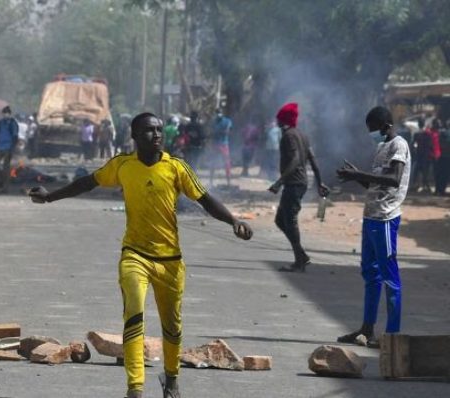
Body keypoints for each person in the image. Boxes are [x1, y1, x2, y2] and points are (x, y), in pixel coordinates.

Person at [28, 112, 253, 398]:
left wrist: (233, 221)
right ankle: (134, 388)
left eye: (159, 130)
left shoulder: (176, 168)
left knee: (172, 328)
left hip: (170, 261)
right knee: (134, 317)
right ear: (134, 137)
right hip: (135, 255)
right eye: (149, 131)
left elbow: (205, 199)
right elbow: (88, 182)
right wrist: (49, 196)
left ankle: (171, 380)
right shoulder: (123, 165)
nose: (157, 135)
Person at [336, 106, 411, 347]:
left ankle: (392, 335)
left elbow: (394, 180)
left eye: (373, 130)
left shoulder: (399, 145)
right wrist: (355, 176)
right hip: (371, 218)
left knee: (389, 276)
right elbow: (374, 187)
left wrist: (362, 173)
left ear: (386, 126)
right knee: (371, 274)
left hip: (386, 219)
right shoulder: (381, 147)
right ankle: (367, 329)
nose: (371, 134)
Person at [268, 103, 329, 272]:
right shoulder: (302, 135)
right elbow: (313, 160)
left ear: (283, 120)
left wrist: (279, 182)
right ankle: (301, 255)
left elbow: (295, 159)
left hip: (294, 183)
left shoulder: (288, 136)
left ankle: (300, 260)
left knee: (290, 220)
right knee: (281, 220)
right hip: (299, 183)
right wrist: (319, 182)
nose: (277, 120)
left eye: (279, 118)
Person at [0, 106, 19, 192]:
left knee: (5, 167)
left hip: (8, 147)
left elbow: (15, 136)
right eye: (3, 113)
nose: (5, 115)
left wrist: (12, 148)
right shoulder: (0, 123)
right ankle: (0, 180)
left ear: (9, 114)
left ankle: (5, 186)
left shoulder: (13, 123)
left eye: (6, 113)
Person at [209, 109, 233, 187]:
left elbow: (228, 130)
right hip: (215, 145)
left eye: (219, 113)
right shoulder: (213, 122)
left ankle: (228, 183)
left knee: (227, 163)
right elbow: (212, 132)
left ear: (222, 113)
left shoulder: (227, 121)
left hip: (223, 144)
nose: (218, 114)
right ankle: (211, 182)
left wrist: (218, 132)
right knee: (213, 163)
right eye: (217, 113)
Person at [411, 118, 433, 193]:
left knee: (417, 171)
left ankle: (417, 186)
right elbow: (430, 145)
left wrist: (414, 151)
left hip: (419, 154)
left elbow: (413, 145)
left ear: (418, 124)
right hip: (425, 155)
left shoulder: (417, 134)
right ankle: (425, 186)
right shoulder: (428, 133)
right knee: (424, 171)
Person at [435, 119, 450, 196]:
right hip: (445, 157)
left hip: (441, 156)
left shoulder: (442, 133)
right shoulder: (444, 133)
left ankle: (439, 190)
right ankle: (440, 190)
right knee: (444, 175)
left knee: (440, 174)